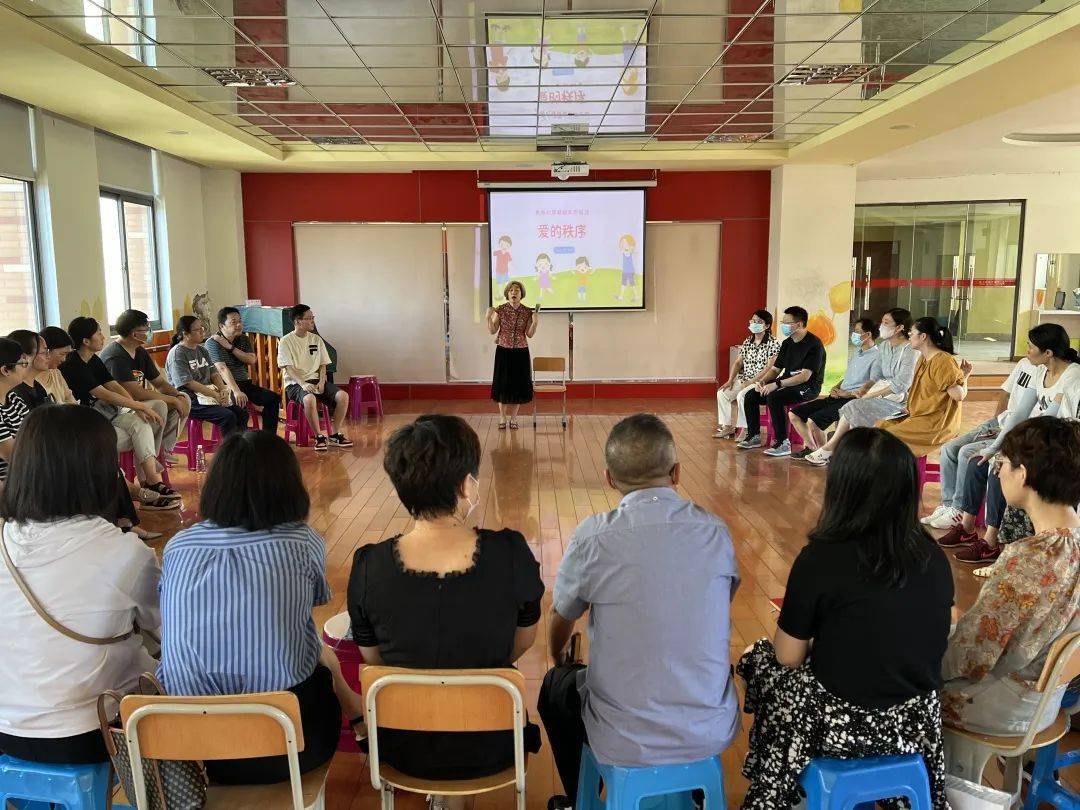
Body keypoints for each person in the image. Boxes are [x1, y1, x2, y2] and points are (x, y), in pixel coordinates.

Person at [737, 427, 953, 809]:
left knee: (757, 659)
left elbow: (788, 656)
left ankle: (777, 782)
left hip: (842, 723)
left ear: (841, 488)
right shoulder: (933, 557)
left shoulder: (821, 559)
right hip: (916, 723)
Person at [538, 414, 740, 807]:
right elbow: (720, 599)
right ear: (676, 472)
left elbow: (561, 615)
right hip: (709, 728)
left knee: (555, 687)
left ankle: (581, 797)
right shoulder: (714, 530)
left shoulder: (593, 537)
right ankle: (692, 791)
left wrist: (558, 655)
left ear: (609, 479)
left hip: (623, 737)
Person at [347, 415, 544, 808]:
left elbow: (375, 660)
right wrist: (474, 666)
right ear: (466, 485)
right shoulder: (510, 553)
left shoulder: (369, 565)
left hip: (403, 746)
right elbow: (522, 641)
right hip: (492, 744)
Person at [158, 430, 362, 785]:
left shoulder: (178, 546)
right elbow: (311, 603)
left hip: (193, 749)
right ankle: (359, 717)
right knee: (313, 648)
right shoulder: (302, 541)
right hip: (288, 746)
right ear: (289, 486)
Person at [0, 405, 160, 764]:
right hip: (90, 731)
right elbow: (165, 626)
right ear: (99, 472)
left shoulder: (3, 540)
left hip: (7, 728)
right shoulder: (125, 553)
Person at [941, 417, 1080, 740]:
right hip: (1049, 697)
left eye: (1002, 464)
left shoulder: (1029, 558)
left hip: (1003, 706)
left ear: (1023, 474)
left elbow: (973, 654)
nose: (998, 472)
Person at [937, 323, 1080, 565]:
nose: (1027, 350)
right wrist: (996, 447)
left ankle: (991, 542)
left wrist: (1011, 452)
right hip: (1041, 441)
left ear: (1048, 353)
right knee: (980, 460)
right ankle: (968, 528)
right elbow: (1019, 413)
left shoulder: (1072, 376)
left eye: (1031, 346)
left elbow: (1049, 421)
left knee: (1001, 470)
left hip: (1060, 448)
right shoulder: (1040, 371)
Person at [60, 317, 179, 506]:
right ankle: (146, 478)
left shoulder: (94, 360)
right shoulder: (72, 364)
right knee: (141, 428)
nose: (103, 336)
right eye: (99, 332)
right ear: (86, 341)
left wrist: (135, 406)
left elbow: (113, 385)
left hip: (107, 415)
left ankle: (152, 480)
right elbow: (103, 393)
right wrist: (139, 406)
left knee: (141, 422)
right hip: (89, 424)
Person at [920, 353, 1039, 533]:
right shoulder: (1024, 363)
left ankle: (959, 509)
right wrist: (996, 421)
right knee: (949, 448)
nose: (1027, 350)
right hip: (999, 423)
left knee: (966, 452)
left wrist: (1006, 433)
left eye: (1031, 346)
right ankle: (948, 505)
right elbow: (1005, 394)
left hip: (1017, 432)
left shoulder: (1046, 376)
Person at [802, 308, 917, 466]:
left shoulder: (910, 350)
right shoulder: (884, 346)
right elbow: (876, 376)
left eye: (886, 323)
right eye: (882, 322)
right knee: (852, 407)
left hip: (899, 400)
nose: (881, 326)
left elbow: (902, 384)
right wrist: (864, 389)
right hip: (880, 394)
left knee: (854, 407)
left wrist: (871, 395)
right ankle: (840, 452)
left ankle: (832, 450)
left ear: (900, 327)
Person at [737, 306, 826, 457]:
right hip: (787, 383)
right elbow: (775, 369)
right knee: (751, 395)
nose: (783, 325)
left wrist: (776, 384)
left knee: (774, 397)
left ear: (799, 324)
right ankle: (754, 436)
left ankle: (782, 442)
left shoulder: (814, 345)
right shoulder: (787, 343)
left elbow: (805, 376)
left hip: (807, 387)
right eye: (782, 322)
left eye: (786, 322)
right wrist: (762, 382)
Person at [101, 309, 190, 459]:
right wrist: (172, 400)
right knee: (160, 405)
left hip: (139, 402)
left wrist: (177, 395)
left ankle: (164, 450)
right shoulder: (115, 356)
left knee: (184, 398)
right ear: (134, 334)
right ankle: (151, 456)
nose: (150, 332)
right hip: (122, 406)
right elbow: (136, 393)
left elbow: (159, 383)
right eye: (146, 329)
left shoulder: (140, 351)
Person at [788, 317, 880, 456]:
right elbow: (849, 377)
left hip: (852, 400)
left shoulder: (877, 357)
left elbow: (872, 385)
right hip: (838, 396)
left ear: (868, 334)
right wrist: (835, 387)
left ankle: (824, 455)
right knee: (795, 414)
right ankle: (814, 449)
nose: (853, 334)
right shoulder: (857, 353)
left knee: (814, 421)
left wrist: (846, 394)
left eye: (857, 331)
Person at [277, 304, 352, 452]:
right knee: (309, 399)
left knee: (343, 396)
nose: (312, 321)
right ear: (298, 321)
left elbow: (323, 364)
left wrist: (322, 381)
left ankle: (334, 434)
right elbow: (289, 369)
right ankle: (319, 436)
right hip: (295, 383)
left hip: (316, 380)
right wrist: (303, 384)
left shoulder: (316, 339)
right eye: (309, 318)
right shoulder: (286, 341)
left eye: (313, 317)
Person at [166, 315, 249, 436]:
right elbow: (188, 383)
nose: (202, 332)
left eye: (202, 328)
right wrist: (215, 395)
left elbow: (214, 374)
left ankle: (240, 445)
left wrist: (222, 390)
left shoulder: (202, 350)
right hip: (189, 398)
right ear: (185, 334)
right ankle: (229, 447)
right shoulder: (177, 353)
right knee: (228, 417)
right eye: (197, 330)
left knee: (242, 413)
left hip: (209, 394)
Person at [205, 307, 281, 435]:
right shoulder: (212, 343)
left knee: (272, 398)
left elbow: (251, 359)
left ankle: (268, 437)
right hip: (225, 386)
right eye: (233, 322)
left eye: (240, 321)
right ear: (221, 326)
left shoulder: (243, 339)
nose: (239, 325)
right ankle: (240, 443)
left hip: (245, 383)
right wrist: (236, 391)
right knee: (240, 411)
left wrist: (230, 347)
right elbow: (222, 369)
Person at [715, 310, 781, 440]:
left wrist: (751, 382)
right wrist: (730, 380)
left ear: (767, 326)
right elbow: (738, 363)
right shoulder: (748, 341)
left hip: (762, 381)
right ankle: (727, 427)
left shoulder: (773, 343)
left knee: (742, 395)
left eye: (759, 321)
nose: (754, 323)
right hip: (744, 380)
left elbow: (769, 368)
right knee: (722, 393)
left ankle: (745, 429)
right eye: (753, 320)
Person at [487, 281, 539, 430]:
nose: (514, 293)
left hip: (521, 351)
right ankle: (502, 417)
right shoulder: (501, 310)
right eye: (511, 290)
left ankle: (514, 418)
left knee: (518, 384)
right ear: (507, 293)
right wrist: (488, 318)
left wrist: (535, 323)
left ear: (521, 294)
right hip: (503, 350)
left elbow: (529, 334)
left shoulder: (527, 312)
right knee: (502, 384)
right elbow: (492, 330)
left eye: (517, 290)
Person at [0, 338, 31, 485]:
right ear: (5, 370)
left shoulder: (13, 397)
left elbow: (33, 435)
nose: (26, 367)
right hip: (8, 483)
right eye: (22, 363)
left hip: (22, 476)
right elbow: (13, 455)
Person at [8, 330, 52, 410]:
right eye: (44, 352)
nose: (48, 356)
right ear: (24, 357)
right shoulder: (15, 393)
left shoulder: (38, 386)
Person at [39, 326, 77, 405]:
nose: (64, 359)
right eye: (62, 354)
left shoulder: (56, 373)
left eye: (66, 355)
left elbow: (70, 400)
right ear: (46, 351)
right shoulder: (31, 381)